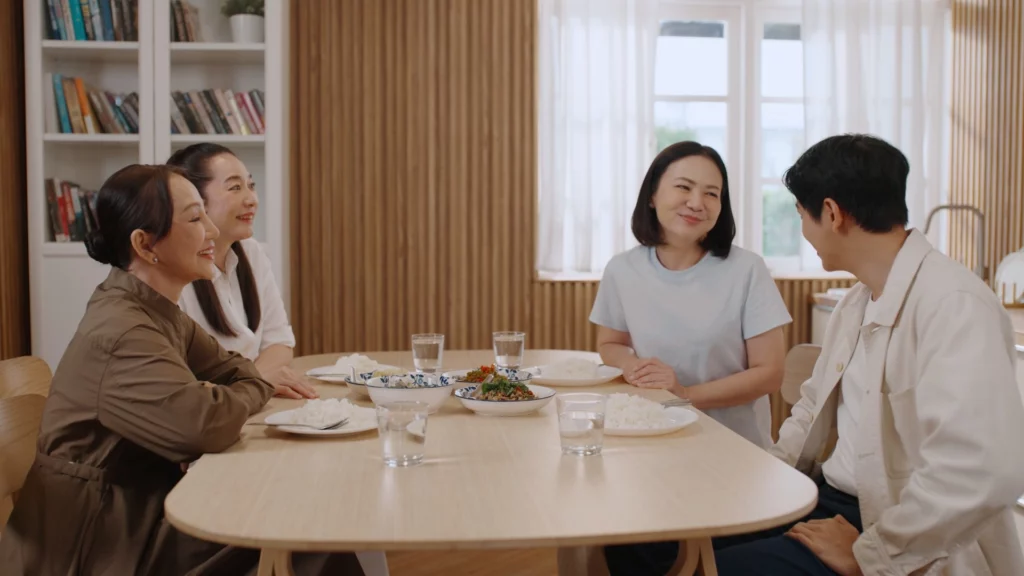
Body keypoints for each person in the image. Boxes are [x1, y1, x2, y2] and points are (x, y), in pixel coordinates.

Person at [0, 164, 364, 575]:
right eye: (194, 218)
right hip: (96, 542)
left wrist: (246, 385)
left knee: (310, 518)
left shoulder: (155, 309)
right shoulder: (123, 330)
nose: (212, 230)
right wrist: (257, 385)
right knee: (309, 534)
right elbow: (206, 424)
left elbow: (236, 372)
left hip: (140, 510)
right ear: (144, 244)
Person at [714, 134, 1024, 575]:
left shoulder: (954, 304)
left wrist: (872, 554)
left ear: (832, 213)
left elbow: (982, 470)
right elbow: (810, 409)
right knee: (671, 541)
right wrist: (765, 486)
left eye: (801, 215)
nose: (804, 232)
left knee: (719, 567)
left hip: (897, 528)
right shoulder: (855, 302)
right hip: (829, 501)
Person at [596, 141, 792, 574]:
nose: (697, 202)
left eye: (711, 193)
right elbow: (610, 343)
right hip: (650, 453)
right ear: (653, 195)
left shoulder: (746, 270)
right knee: (621, 543)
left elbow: (770, 374)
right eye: (684, 187)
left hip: (735, 462)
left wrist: (684, 393)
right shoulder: (622, 270)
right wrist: (634, 366)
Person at [167, 143, 317, 400]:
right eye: (235, 188)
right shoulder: (173, 269)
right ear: (194, 200)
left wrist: (252, 383)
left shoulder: (251, 251)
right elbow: (178, 383)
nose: (252, 200)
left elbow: (280, 343)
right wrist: (255, 382)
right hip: (209, 410)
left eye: (251, 185)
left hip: (247, 403)